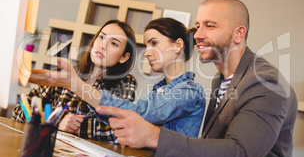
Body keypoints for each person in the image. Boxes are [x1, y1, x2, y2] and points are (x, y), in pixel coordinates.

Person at [95, 0, 301, 157]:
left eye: (210, 26)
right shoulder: (220, 79)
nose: (197, 35)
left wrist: (153, 136)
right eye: (197, 26)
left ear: (239, 34)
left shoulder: (266, 82)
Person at [29, 17, 206, 137]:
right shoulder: (159, 91)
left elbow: (134, 115)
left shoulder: (187, 91)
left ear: (177, 46)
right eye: (147, 45)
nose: (146, 54)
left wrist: (75, 85)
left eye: (154, 43)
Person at [12, 20, 137, 143]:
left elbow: (120, 130)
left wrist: (76, 127)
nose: (102, 45)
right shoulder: (67, 72)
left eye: (114, 43)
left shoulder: (125, 83)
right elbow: (20, 109)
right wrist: (57, 120)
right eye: (101, 37)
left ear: (124, 57)